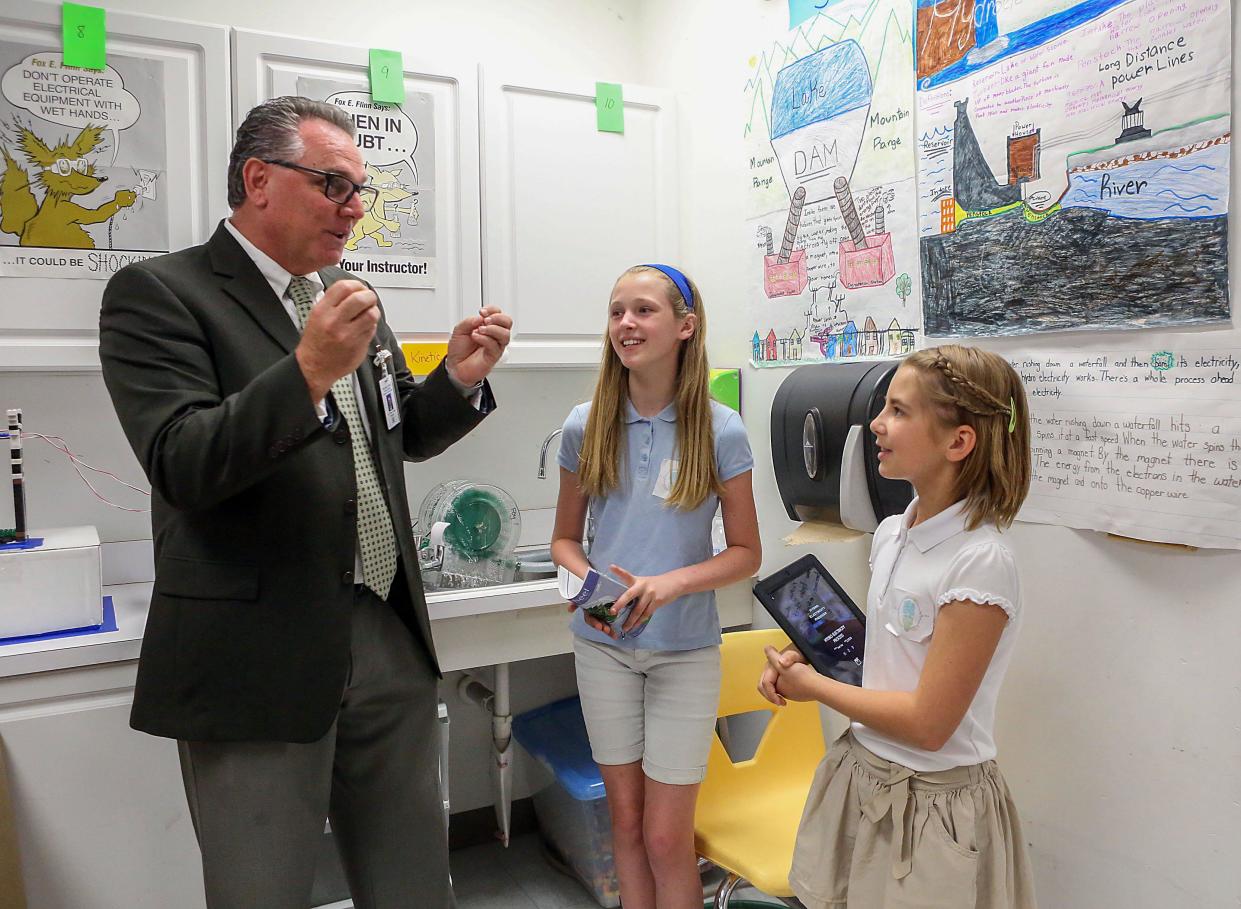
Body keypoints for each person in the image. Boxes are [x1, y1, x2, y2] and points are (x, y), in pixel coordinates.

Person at [99, 96, 511, 909]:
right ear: (259, 179)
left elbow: (396, 436)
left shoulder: (343, 295)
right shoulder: (159, 294)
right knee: (264, 888)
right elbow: (183, 462)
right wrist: (308, 369)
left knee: (414, 884)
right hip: (255, 653)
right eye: (334, 184)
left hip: (383, 629)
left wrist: (457, 380)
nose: (355, 207)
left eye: (360, 189)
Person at [759, 344, 1038, 909]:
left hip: (935, 802)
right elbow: (890, 651)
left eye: (899, 411)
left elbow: (929, 724)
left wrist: (813, 689)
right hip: (862, 774)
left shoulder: (979, 561)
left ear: (959, 442)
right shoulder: (891, 532)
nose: (875, 424)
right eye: (884, 406)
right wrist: (805, 654)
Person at [550, 264, 761, 909]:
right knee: (626, 828)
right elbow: (565, 540)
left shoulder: (720, 430)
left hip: (684, 653)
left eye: (643, 311)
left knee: (669, 839)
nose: (625, 325)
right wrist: (590, 588)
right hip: (603, 648)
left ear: (685, 326)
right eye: (617, 312)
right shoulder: (586, 425)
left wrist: (669, 584)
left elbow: (746, 553)